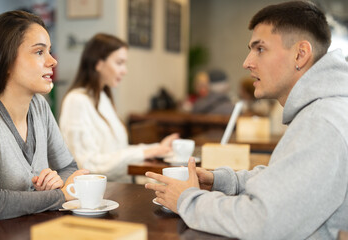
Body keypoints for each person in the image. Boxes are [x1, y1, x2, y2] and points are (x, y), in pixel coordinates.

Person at [145, 1, 348, 239]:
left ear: (300, 54)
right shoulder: (326, 110)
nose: (247, 62)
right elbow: (284, 177)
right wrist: (220, 181)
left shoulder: (321, 122)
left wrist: (187, 200)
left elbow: (261, 221)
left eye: (260, 49)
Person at [0, 11, 88, 239]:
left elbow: (69, 167)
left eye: (49, 51)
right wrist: (61, 194)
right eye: (40, 52)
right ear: (6, 60)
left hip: (23, 229)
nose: (52, 61)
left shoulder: (39, 106)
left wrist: (55, 183)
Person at [59, 33, 178, 183]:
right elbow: (86, 164)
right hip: (102, 192)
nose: (125, 70)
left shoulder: (103, 97)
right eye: (119, 63)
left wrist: (158, 147)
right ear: (98, 63)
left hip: (120, 185)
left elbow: (117, 152)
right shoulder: (76, 101)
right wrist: (146, 152)